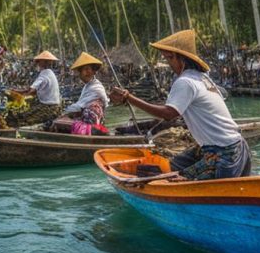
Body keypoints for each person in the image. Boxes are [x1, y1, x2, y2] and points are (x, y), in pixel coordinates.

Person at [110, 30, 250, 180]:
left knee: (175, 178)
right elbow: (173, 105)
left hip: (223, 154)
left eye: (169, 59)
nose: (169, 65)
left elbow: (169, 114)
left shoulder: (185, 82)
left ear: (179, 58)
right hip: (238, 147)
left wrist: (129, 98)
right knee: (174, 165)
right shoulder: (202, 78)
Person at [7, 50, 62, 127]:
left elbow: (30, 90)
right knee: (27, 111)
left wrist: (15, 92)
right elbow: (34, 92)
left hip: (48, 107)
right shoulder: (50, 73)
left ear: (44, 62)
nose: (37, 63)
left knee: (23, 118)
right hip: (55, 106)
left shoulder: (44, 74)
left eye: (39, 61)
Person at [61, 52, 109, 135]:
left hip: (92, 124)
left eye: (88, 69)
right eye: (83, 70)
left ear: (94, 72)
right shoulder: (87, 87)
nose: (85, 73)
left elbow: (80, 106)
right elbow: (81, 105)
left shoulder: (96, 87)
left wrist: (65, 113)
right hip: (89, 121)